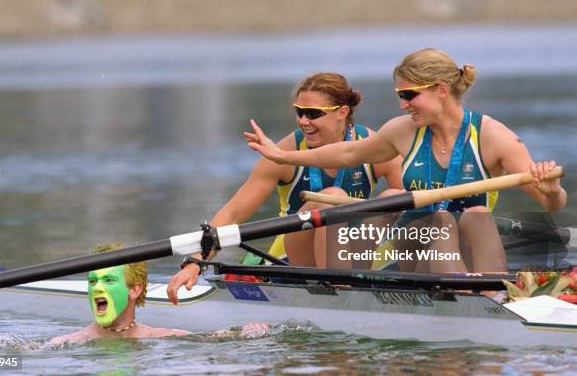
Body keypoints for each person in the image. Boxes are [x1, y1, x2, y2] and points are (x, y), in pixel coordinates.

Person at [245, 49, 567, 274]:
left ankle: (486, 295)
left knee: (477, 214)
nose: (402, 105)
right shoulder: (402, 132)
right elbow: (348, 153)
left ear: (441, 90)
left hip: (471, 252)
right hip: (416, 249)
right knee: (425, 214)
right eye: (400, 95)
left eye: (409, 95)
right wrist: (283, 155)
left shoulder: (494, 137)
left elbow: (552, 204)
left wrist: (551, 189)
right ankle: (345, 282)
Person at [167, 72, 403, 304]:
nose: (303, 121)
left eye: (313, 114)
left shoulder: (372, 146)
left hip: (354, 251)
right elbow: (232, 214)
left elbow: (423, 203)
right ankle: (341, 293)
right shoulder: (284, 152)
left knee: (398, 197)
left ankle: (426, 282)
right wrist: (195, 262)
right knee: (331, 198)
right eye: (299, 112)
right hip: (291, 259)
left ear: (342, 112)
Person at [52, 245, 267, 344]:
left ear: (135, 289)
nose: (98, 288)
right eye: (92, 281)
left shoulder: (156, 337)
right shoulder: (67, 342)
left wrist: (244, 333)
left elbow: (210, 339)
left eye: (108, 281)